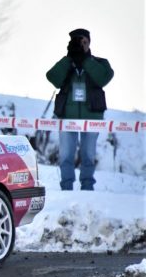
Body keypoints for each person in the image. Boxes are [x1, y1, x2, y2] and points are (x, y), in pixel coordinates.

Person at [46, 28, 114, 191]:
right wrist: (69, 59)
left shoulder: (99, 62)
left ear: (89, 43)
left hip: (92, 118)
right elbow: (52, 78)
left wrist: (86, 60)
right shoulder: (67, 63)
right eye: (77, 41)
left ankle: (87, 188)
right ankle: (66, 188)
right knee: (66, 155)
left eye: (84, 41)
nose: (81, 45)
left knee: (88, 155)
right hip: (67, 118)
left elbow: (104, 78)